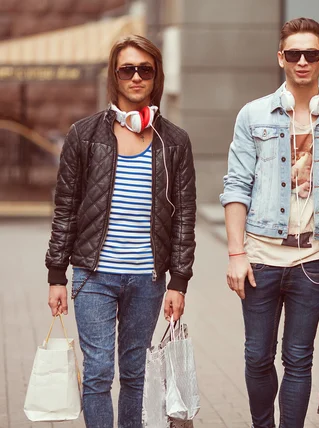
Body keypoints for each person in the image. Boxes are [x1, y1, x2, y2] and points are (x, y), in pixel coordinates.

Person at [220, 17, 319, 428]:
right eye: (295, 54)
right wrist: (236, 254)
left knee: (299, 358)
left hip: (313, 259)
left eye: (311, 54)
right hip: (261, 257)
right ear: (281, 58)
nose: (303, 61)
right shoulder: (253, 114)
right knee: (257, 356)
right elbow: (235, 187)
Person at [45, 35, 196, 428]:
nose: (135, 77)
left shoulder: (174, 142)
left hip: (148, 279)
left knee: (134, 373)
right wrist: (56, 275)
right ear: (115, 77)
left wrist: (179, 281)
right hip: (93, 276)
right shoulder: (85, 135)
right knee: (97, 372)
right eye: (127, 69)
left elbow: (184, 217)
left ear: (155, 76)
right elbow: (65, 208)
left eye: (144, 69)